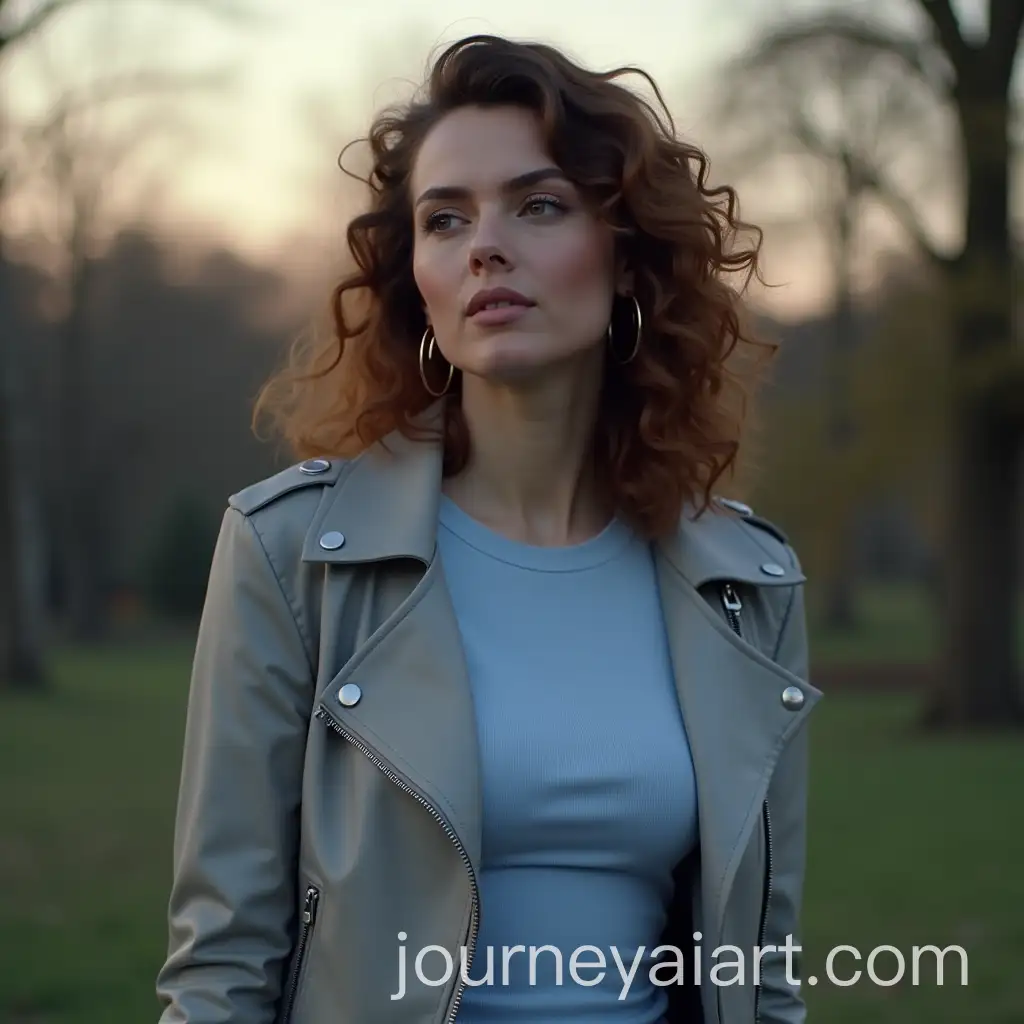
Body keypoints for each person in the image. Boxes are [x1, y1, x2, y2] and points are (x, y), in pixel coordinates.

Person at [155, 33, 822, 1024]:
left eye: (538, 204)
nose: (486, 245)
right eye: (445, 218)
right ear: (415, 277)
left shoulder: (747, 581)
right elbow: (221, 969)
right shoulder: (291, 554)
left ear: (626, 256)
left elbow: (760, 975)